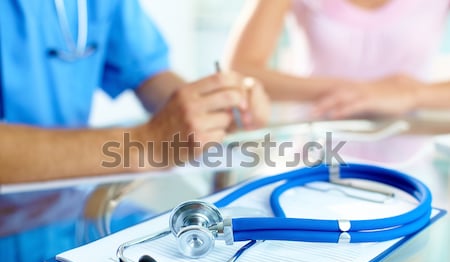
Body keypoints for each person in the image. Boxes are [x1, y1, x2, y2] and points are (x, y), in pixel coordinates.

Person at [0, 0, 270, 184]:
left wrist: (213, 107)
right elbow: (147, 143)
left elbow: (147, 72)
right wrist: (143, 144)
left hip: (57, 203)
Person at [225, 0, 450, 120]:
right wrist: (365, 92)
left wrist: (409, 93)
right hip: (314, 143)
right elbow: (240, 70)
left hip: (412, 148)